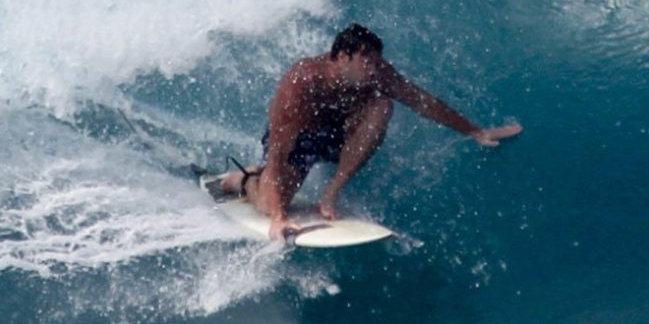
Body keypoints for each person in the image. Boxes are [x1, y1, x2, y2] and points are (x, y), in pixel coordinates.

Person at [209, 24, 522, 239]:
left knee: (382, 105)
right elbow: (278, 152)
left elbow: (421, 101)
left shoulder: (377, 76)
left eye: (376, 61)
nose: (374, 68)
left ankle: (329, 195)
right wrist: (278, 217)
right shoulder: (300, 83)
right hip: (299, 139)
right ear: (342, 57)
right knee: (267, 203)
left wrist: (474, 131)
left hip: (338, 136)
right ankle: (245, 180)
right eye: (366, 61)